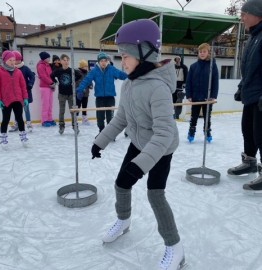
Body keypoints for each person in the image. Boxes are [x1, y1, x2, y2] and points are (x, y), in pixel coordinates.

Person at [90, 19, 185, 270]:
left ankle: (175, 248)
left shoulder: (158, 88)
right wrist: (101, 141)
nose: (122, 62)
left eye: (125, 55)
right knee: (122, 184)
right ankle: (124, 221)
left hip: (161, 149)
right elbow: (121, 118)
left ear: (143, 52)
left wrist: (140, 165)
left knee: (155, 195)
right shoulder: (130, 83)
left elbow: (164, 134)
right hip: (139, 141)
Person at [227, 0, 262, 194]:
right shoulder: (252, 38)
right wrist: (242, 87)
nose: (242, 17)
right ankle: (249, 162)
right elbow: (249, 69)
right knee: (247, 130)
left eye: (245, 13)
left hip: (260, 96)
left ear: (256, 14)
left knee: (260, 134)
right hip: (251, 94)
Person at [76, 51, 127, 136]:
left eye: (105, 60)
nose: (103, 62)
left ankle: (110, 134)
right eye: (101, 61)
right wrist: (80, 89)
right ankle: (101, 132)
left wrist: (133, 76)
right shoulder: (94, 71)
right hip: (100, 98)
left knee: (110, 117)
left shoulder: (111, 69)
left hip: (110, 98)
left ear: (107, 61)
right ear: (98, 62)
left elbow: (121, 75)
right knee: (100, 117)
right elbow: (86, 80)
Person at [0, 50, 29, 147]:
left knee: (20, 118)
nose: (13, 62)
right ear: (5, 60)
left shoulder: (18, 72)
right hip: (6, 100)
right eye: (10, 60)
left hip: (18, 99)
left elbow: (23, 86)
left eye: (14, 60)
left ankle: (23, 136)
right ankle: (3, 137)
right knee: (6, 119)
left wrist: (25, 98)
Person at [185, 43, 219, 143]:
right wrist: (189, 95)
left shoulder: (213, 66)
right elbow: (189, 82)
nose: (202, 53)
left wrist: (213, 96)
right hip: (195, 96)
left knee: (207, 117)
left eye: (204, 51)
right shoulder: (193, 66)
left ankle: (207, 131)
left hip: (207, 97)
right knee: (194, 117)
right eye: (200, 52)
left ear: (208, 53)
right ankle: (191, 131)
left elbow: (215, 81)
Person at [50, 53, 82, 134]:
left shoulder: (72, 70)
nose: (66, 62)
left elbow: (80, 75)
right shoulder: (58, 71)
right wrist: (55, 81)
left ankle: (75, 125)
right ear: (61, 61)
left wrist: (74, 81)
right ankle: (61, 126)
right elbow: (51, 75)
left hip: (71, 94)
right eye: (64, 60)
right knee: (62, 111)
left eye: (67, 60)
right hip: (61, 94)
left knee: (73, 111)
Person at [9, 50, 35, 133]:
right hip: (15, 93)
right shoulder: (11, 69)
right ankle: (17, 124)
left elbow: (32, 76)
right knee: (16, 109)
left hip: (25, 93)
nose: (17, 61)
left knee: (26, 109)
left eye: (18, 59)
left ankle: (29, 123)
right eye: (15, 60)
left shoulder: (25, 68)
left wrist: (30, 84)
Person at [36, 51, 56, 127]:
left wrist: (53, 83)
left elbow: (51, 75)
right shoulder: (41, 65)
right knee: (45, 104)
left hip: (50, 86)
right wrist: (51, 83)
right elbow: (43, 76)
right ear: (44, 58)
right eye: (48, 57)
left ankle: (50, 119)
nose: (49, 59)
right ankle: (44, 120)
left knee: (50, 104)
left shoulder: (48, 65)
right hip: (44, 87)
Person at [75, 59, 92, 125]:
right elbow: (77, 82)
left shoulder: (88, 73)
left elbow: (89, 80)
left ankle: (84, 119)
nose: (86, 68)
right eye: (85, 66)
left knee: (85, 106)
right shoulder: (78, 73)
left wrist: (90, 85)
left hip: (86, 93)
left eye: (86, 66)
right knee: (78, 106)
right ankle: (75, 118)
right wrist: (80, 89)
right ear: (81, 67)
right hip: (79, 93)